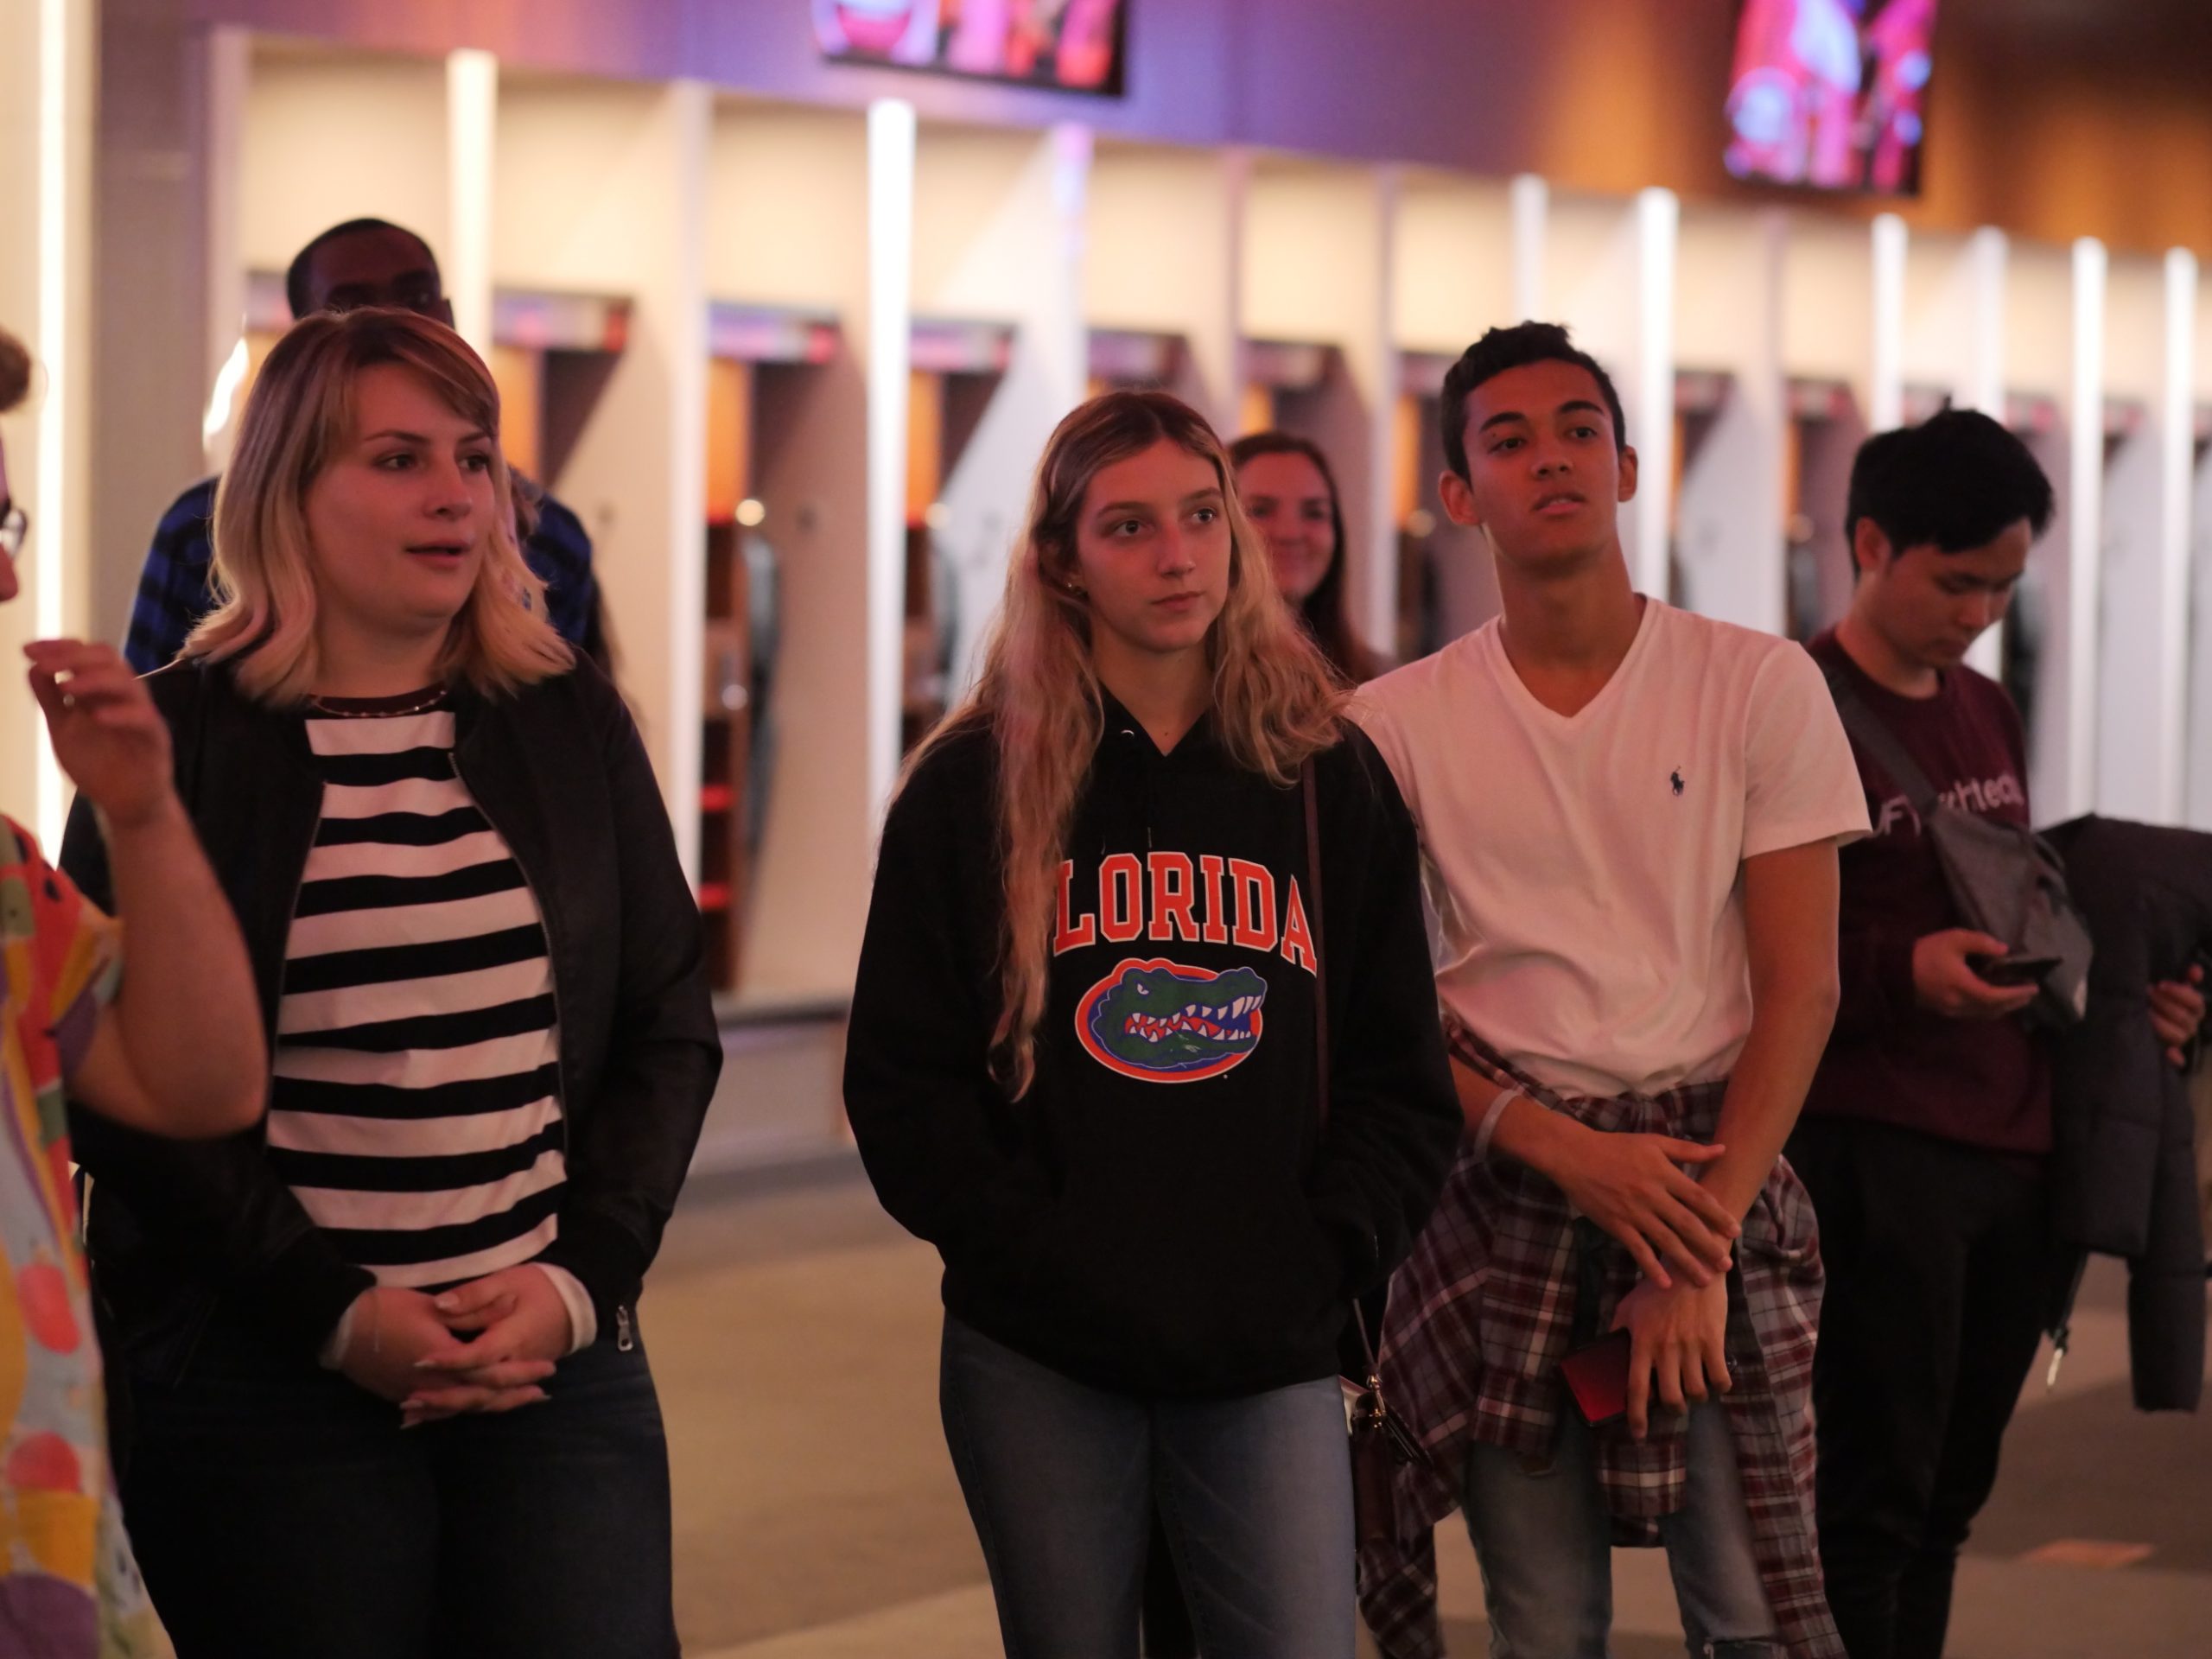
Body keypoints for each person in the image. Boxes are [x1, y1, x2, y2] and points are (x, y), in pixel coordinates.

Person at [59, 307, 721, 1659]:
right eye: (399, 459)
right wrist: (338, 1315)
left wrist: (578, 1283)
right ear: (286, 494)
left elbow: (665, 1024)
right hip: (270, 1375)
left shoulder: (565, 716)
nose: (456, 496)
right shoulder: (172, 738)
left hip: (554, 1357)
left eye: (474, 459)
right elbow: (129, 1097)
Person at [843, 389, 1460, 1659]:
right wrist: (1044, 1254)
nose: (1178, 556)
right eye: (1129, 527)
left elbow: (1404, 1077)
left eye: (1200, 516)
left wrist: (1319, 1254)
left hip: (1269, 1345)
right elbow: (905, 1090)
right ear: (1062, 561)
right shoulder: (972, 791)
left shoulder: (1322, 775)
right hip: (1042, 1352)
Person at [1352, 322, 1870, 1659]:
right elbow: (1377, 1011)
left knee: (1757, 1611)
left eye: (1580, 430)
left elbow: (1803, 985)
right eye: (1508, 441)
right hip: (1509, 1179)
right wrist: (1562, 1149)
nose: (1553, 460)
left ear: (1632, 466)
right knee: (1541, 1622)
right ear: (1459, 495)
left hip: (1714, 1171)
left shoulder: (1758, 681)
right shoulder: (1393, 724)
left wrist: (1696, 1247)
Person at [1791, 409, 2205, 1659]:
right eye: (1956, 579)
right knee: (1872, 1500)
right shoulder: (1791, 704)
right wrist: (1895, 974)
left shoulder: (1987, 708)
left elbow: (2020, 898)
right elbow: (1740, 950)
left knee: (1951, 1499)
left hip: (2013, 1151)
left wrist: (2128, 1002)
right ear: (1871, 541)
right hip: (1876, 1152)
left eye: (2005, 586)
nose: (1979, 611)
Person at [0, 325, 265, 1655]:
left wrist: (147, 814)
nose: (5, 575)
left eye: (6, 520)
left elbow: (198, 1081)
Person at [124, 218, 608, 676]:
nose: (392, 321)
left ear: (448, 313)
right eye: (397, 461)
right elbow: (151, 732)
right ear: (305, 337)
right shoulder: (197, 531)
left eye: (416, 295)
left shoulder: (551, 536)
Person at [1230, 431, 1384, 683]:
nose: (1290, 533)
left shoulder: (1377, 681)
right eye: (1260, 511)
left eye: (1313, 513)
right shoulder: (1188, 683)